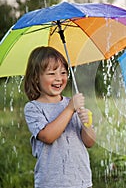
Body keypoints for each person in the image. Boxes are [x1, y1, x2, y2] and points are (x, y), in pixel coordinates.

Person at [23, 46, 96, 188]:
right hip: (52, 183)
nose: (59, 78)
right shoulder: (33, 108)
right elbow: (48, 136)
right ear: (36, 78)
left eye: (63, 72)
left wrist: (86, 124)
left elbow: (89, 142)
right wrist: (70, 109)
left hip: (81, 180)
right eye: (51, 73)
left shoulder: (73, 105)